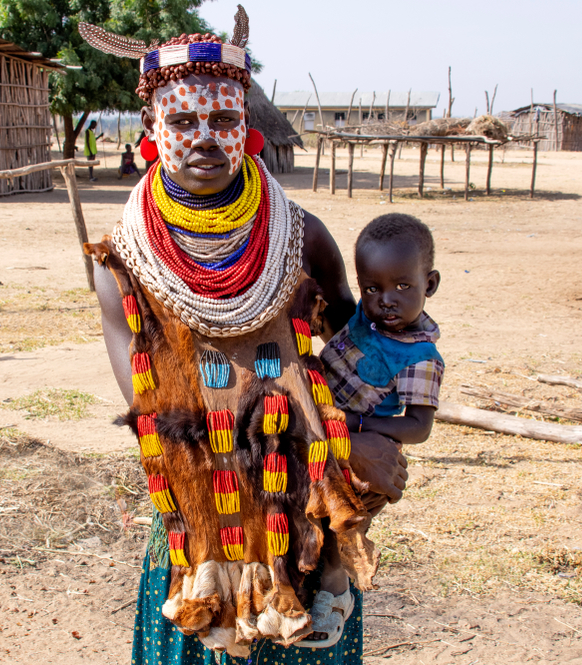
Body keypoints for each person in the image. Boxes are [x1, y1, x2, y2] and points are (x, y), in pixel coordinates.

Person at [78, 12, 409, 665]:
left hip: (307, 507)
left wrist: (371, 441)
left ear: (247, 129)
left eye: (223, 122)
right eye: (181, 122)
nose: (204, 138)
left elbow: (359, 358)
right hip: (203, 516)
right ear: (151, 131)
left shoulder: (301, 235)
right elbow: (165, 421)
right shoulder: (122, 262)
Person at [321, 213, 444, 444]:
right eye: (372, 289)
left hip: (358, 442)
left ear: (429, 284)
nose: (386, 300)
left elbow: (419, 427)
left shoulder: (420, 359)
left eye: (402, 286)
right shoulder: (366, 316)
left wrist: (357, 423)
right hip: (316, 414)